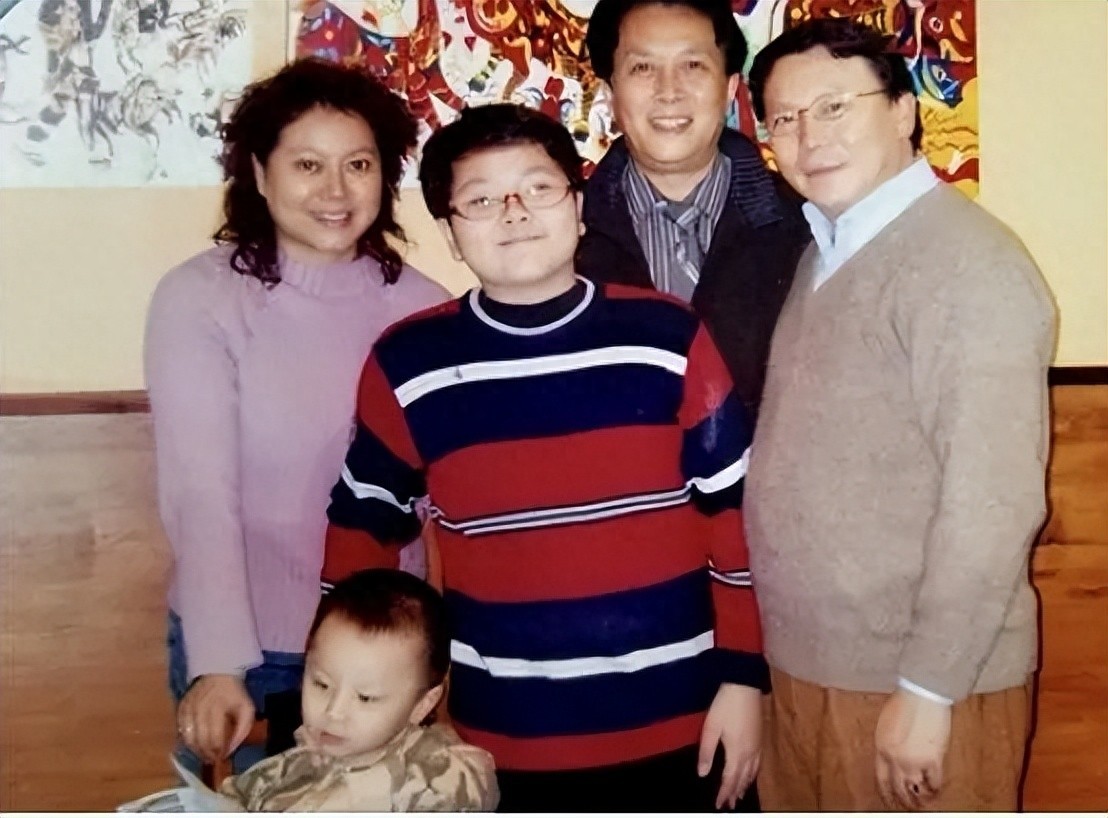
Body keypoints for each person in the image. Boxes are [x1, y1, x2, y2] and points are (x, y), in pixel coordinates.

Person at [320, 103, 768, 812]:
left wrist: (744, 679)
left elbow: (734, 515)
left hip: (688, 719)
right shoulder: (409, 362)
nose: (515, 213)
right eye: (481, 200)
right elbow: (360, 530)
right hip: (506, 736)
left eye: (538, 188)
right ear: (450, 233)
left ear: (578, 207)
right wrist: (351, 692)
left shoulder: (667, 336)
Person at [742, 17, 1056, 812]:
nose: (808, 136)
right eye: (785, 118)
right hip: (811, 667)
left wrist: (928, 688)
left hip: (916, 683)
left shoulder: (967, 264)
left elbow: (994, 500)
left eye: (834, 106)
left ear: (903, 111)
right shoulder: (826, 249)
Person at [144, 58, 449, 773]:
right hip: (255, 647)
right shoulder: (200, 300)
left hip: (382, 650)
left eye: (358, 164)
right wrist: (218, 663)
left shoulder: (425, 308)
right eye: (308, 165)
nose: (335, 191)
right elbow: (201, 494)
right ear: (259, 172)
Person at [577, 0, 811, 420]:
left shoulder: (809, 227)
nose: (669, 91)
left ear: (729, 88)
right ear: (610, 95)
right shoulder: (561, 234)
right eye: (642, 68)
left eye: (693, 66)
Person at [217, 568, 499, 811]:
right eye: (321, 684)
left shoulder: (437, 781)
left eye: (365, 697)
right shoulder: (291, 766)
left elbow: (470, 781)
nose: (333, 711)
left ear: (422, 705)